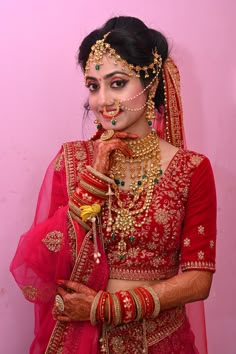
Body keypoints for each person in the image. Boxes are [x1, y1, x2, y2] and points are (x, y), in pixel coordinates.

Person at [10, 16, 217, 354]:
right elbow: (37, 268)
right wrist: (92, 182)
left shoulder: (192, 169)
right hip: (84, 342)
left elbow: (199, 279)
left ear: (150, 85)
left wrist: (106, 307)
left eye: (117, 83)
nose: (102, 99)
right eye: (93, 85)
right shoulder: (73, 160)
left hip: (161, 341)